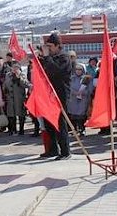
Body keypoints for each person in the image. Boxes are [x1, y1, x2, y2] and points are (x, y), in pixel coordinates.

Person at [39, 32, 72, 160]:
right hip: (48, 93)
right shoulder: (49, 58)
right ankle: (52, 149)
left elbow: (55, 71)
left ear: (58, 46)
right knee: (48, 122)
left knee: (60, 122)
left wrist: (47, 58)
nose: (48, 49)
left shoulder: (64, 58)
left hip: (60, 93)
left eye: (50, 46)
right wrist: (41, 59)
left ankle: (65, 151)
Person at [3, 61, 31, 135]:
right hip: (10, 98)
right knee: (11, 115)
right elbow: (5, 84)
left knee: (21, 114)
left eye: (16, 67)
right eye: (13, 67)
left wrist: (19, 78)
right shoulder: (8, 75)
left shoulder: (22, 74)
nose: (15, 69)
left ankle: (21, 130)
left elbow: (26, 84)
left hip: (19, 97)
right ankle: (13, 130)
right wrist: (5, 90)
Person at [67, 63, 94, 137]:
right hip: (73, 99)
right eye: (77, 69)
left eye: (80, 69)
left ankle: (82, 129)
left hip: (83, 99)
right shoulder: (72, 78)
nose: (78, 71)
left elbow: (90, 89)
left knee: (82, 116)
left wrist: (82, 92)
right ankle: (74, 129)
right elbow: (69, 87)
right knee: (73, 115)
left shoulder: (87, 78)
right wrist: (75, 93)